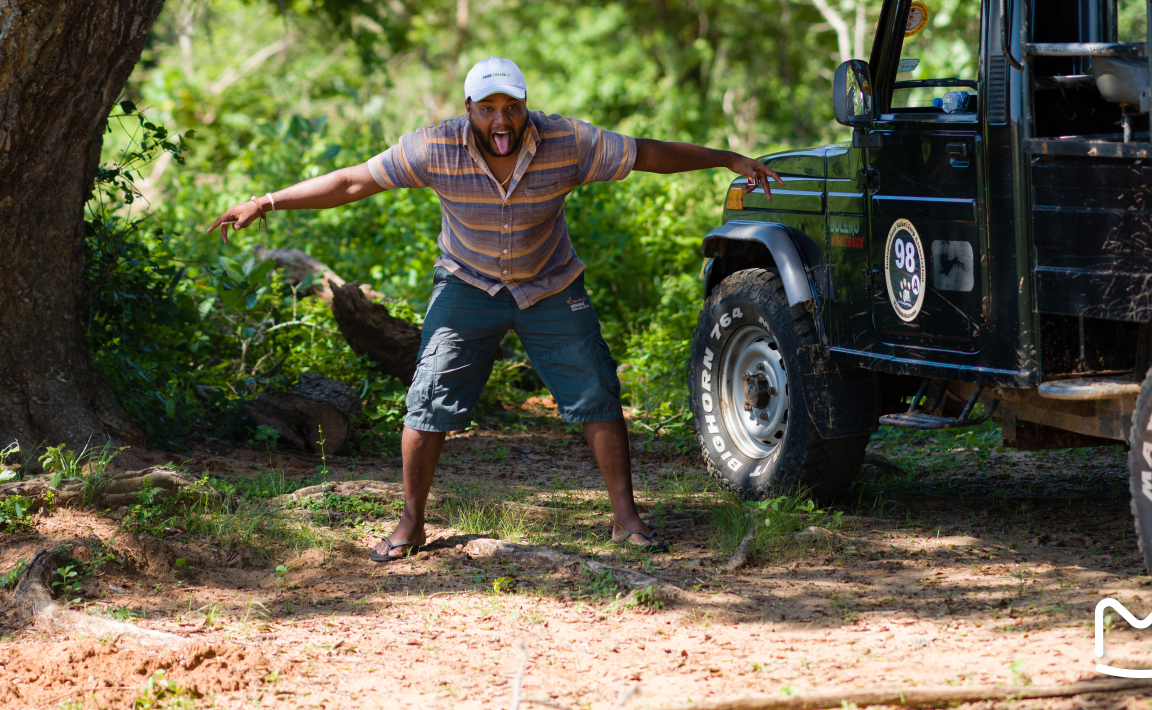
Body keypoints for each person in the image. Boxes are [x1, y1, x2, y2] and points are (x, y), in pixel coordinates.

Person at [207, 56, 776, 561]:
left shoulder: (568, 142)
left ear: (527, 106)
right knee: (428, 397)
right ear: (468, 109)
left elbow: (648, 153)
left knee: (597, 390)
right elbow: (354, 182)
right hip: (467, 283)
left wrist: (727, 157)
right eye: (488, 109)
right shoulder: (434, 148)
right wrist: (266, 201)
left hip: (549, 284)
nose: (501, 121)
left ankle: (626, 520)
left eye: (512, 107)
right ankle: (411, 523)